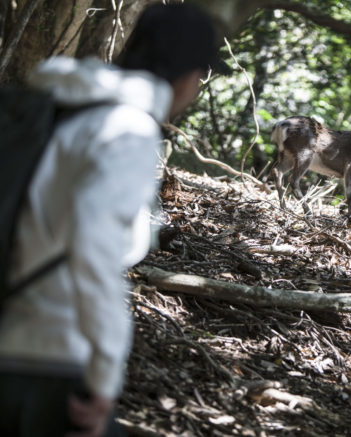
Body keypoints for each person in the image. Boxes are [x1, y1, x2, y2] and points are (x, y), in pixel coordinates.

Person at [0, 3, 228, 436]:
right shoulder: (128, 130)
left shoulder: (60, 107)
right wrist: (105, 376)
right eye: (200, 75)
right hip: (45, 359)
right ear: (187, 75)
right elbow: (94, 247)